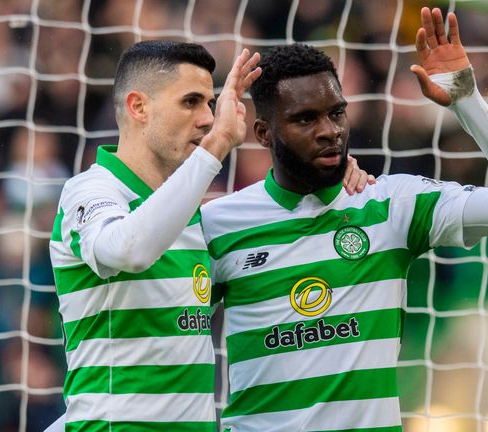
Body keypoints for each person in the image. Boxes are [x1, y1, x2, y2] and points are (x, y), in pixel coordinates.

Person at [202, 7, 488, 431]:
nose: (329, 130)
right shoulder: (217, 223)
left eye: (336, 112)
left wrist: (468, 102)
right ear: (263, 133)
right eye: (305, 119)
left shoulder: (393, 204)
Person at [48, 40, 373, 431]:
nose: (207, 119)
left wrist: (335, 175)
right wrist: (216, 147)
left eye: (210, 103)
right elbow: (129, 251)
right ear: (138, 107)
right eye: (190, 102)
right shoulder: (92, 190)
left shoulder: (191, 215)